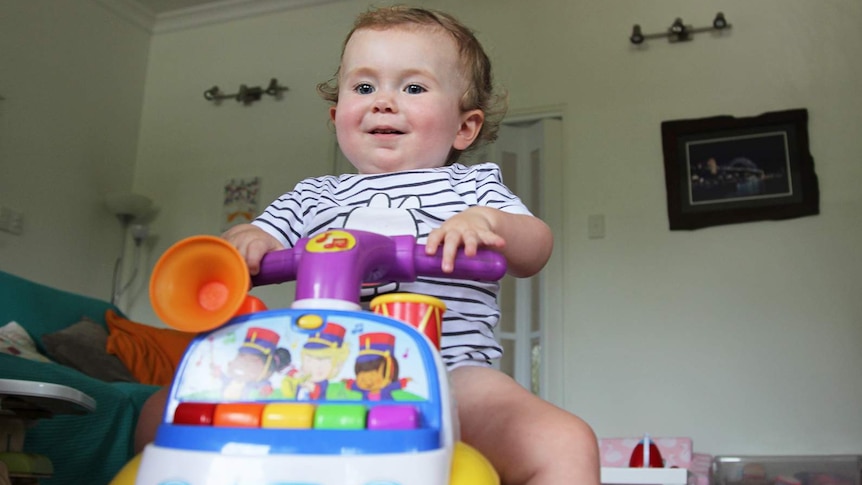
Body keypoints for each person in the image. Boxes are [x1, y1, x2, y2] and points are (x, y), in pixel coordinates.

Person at [136, 6, 599, 484]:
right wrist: (247, 240)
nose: (383, 101)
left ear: (465, 127)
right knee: (158, 412)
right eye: (363, 87)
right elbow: (252, 240)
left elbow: (535, 247)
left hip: (453, 373)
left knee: (563, 441)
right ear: (337, 117)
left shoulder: (474, 188)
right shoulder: (314, 195)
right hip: (318, 372)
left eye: (413, 87)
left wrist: (487, 222)